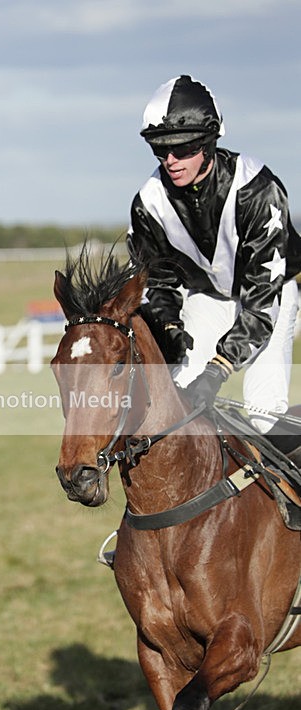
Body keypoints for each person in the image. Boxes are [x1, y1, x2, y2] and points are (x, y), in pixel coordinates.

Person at [127, 74, 301, 459]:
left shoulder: (257, 189)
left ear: (208, 142)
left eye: (183, 148)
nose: (170, 160)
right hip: (208, 296)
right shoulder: (149, 202)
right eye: (160, 150)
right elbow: (159, 282)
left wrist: (218, 368)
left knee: (261, 418)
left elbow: (261, 302)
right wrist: (170, 330)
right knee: (177, 405)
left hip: (268, 297)